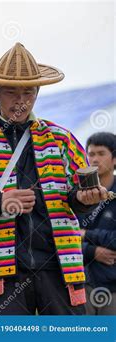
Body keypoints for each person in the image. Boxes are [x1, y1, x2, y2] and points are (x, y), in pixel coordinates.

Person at [0, 43, 107, 315]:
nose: (21, 100)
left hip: (60, 267)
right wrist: (0, 201)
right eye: (11, 92)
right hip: (4, 272)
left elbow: (80, 193)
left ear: (37, 93)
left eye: (28, 92)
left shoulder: (61, 138)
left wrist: (84, 199)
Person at [78, 132, 116, 315]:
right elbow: (64, 238)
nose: (94, 159)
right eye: (91, 154)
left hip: (113, 286)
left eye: (101, 154)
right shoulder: (77, 196)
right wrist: (93, 251)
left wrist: (86, 234)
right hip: (81, 283)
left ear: (114, 159)